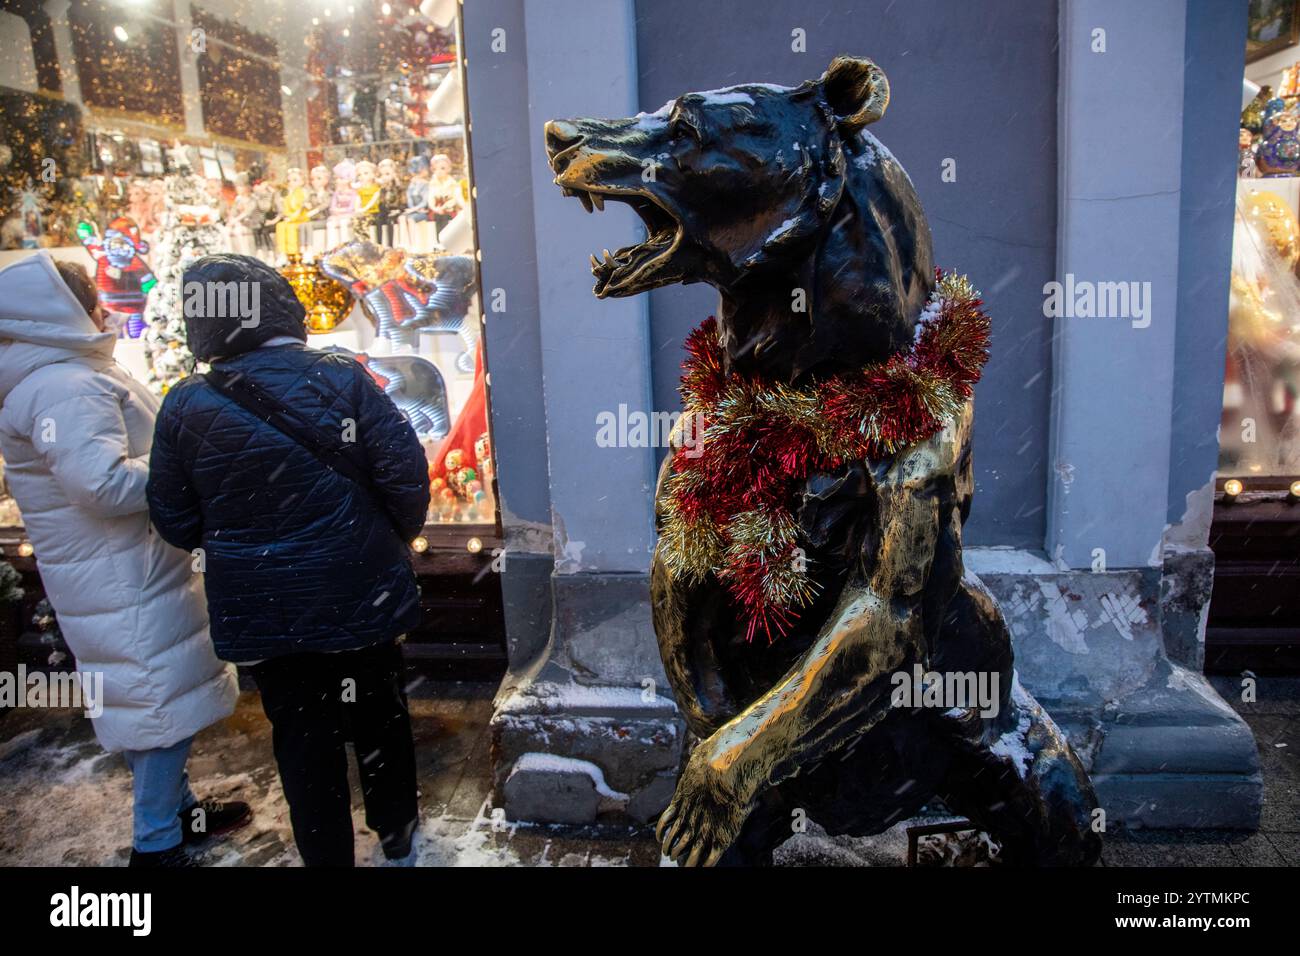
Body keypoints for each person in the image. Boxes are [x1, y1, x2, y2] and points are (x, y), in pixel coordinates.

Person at [147, 254, 430, 866]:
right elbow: (404, 476)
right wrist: (383, 539)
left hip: (265, 606)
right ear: (278, 304)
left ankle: (327, 856)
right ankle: (397, 831)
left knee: (303, 740)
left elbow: (173, 518)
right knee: (379, 714)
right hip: (359, 587)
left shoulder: (183, 404)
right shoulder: (342, 376)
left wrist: (238, 544)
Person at [0, 252, 248, 867]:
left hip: (126, 567)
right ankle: (156, 843)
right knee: (157, 704)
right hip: (120, 573)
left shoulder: (64, 373)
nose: (104, 310)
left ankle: (177, 813)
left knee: (153, 700)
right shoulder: (64, 383)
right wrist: (183, 462)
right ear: (64, 312)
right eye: (93, 302)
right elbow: (103, 486)